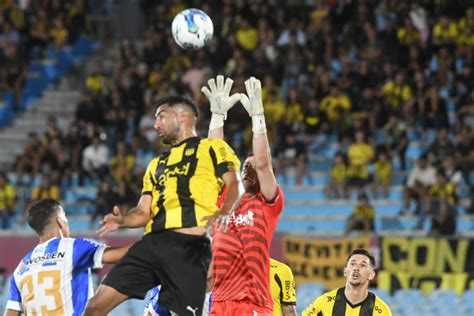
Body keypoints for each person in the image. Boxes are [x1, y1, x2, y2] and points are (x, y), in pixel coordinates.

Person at [84, 94, 244, 315]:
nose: (156, 124)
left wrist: (224, 212)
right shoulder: (156, 164)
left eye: (161, 116)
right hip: (150, 245)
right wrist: (122, 220)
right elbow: (142, 212)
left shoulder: (212, 147)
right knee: (95, 306)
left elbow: (235, 184)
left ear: (183, 115)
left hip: (189, 247)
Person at [202, 76, 284, 315]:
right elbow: (213, 159)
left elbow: (262, 163)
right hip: (219, 302)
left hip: (253, 302)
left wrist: (258, 118)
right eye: (243, 166)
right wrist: (217, 118)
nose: (246, 169)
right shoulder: (226, 198)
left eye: (251, 167)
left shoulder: (268, 203)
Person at [4, 199, 130, 315]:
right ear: (60, 220)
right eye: (64, 215)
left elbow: (11, 312)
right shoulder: (74, 247)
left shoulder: (21, 266)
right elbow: (122, 254)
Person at [302, 249, 391, 316]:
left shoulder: (382, 310)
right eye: (352, 264)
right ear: (345, 271)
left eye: (363, 265)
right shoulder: (324, 301)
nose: (356, 268)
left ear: (371, 275)